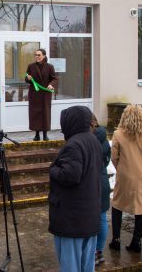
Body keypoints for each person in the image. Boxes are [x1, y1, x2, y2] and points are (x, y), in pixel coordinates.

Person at [49, 106, 102, 271]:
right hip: (88, 215)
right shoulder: (93, 140)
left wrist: (53, 169)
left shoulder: (73, 145)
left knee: (71, 265)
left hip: (72, 219)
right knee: (87, 265)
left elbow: (70, 176)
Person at [109, 104, 142, 253]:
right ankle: (137, 240)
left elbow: (114, 157)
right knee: (140, 207)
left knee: (117, 204)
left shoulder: (118, 134)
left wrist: (121, 168)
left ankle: (116, 239)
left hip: (124, 174)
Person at [25, 48, 58, 141]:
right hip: (34, 94)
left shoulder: (50, 67)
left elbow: (55, 78)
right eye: (35, 55)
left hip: (45, 94)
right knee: (35, 114)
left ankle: (45, 134)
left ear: (44, 56)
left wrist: (51, 85)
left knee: (45, 113)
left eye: (39, 55)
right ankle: (36, 134)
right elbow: (26, 78)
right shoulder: (31, 66)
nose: (37, 56)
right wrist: (28, 78)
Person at [91, 114, 111, 266]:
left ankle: (91, 252)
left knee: (90, 219)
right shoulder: (103, 138)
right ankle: (99, 251)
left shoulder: (88, 139)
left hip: (92, 182)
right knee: (102, 217)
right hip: (103, 180)